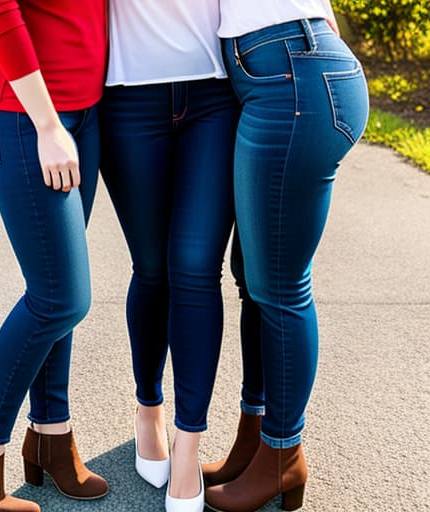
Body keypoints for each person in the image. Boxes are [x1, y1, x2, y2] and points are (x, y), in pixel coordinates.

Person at [0, 1, 109, 510]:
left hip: (85, 113)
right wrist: (48, 125)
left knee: (57, 288)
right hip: (21, 115)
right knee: (59, 298)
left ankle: (51, 435)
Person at [203, 1, 370, 511]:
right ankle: (255, 437)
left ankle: (283, 454)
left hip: (291, 70)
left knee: (279, 285)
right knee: (251, 273)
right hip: (285, 64)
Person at [99, 1, 239, 510]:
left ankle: (189, 443)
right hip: (126, 97)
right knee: (152, 269)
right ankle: (148, 410)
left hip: (216, 93)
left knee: (198, 267)